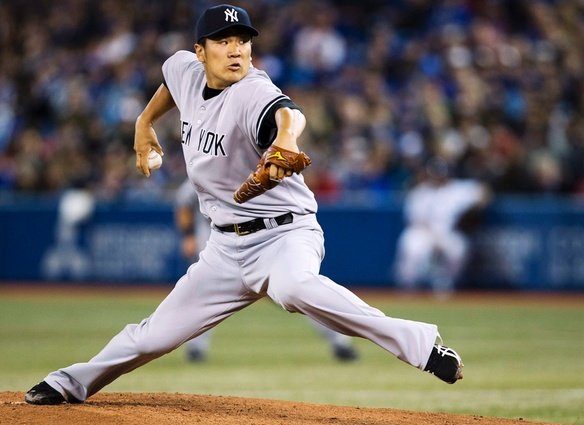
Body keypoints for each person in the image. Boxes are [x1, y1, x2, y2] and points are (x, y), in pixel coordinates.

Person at [25, 4, 463, 405]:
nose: (237, 50)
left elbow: (289, 113)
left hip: (285, 234)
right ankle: (69, 382)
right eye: (224, 40)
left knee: (292, 288)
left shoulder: (252, 90)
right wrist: (143, 123)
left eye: (244, 40)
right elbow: (169, 83)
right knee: (152, 338)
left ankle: (422, 345)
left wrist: (287, 139)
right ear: (201, 51)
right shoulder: (184, 69)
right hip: (224, 251)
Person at [174, 178, 359, 363]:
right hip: (216, 244)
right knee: (205, 294)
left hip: (261, 244)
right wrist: (187, 236)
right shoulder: (206, 168)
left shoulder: (254, 166)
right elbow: (183, 203)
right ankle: (196, 348)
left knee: (297, 295)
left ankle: (339, 342)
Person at [394, 157, 491, 298]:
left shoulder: (458, 189)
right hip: (423, 232)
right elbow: (413, 220)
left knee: (458, 250)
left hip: (447, 233)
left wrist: (473, 212)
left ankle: (445, 284)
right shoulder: (420, 192)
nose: (438, 177)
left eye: (441, 173)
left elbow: (483, 192)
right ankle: (407, 286)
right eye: (436, 173)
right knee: (411, 246)